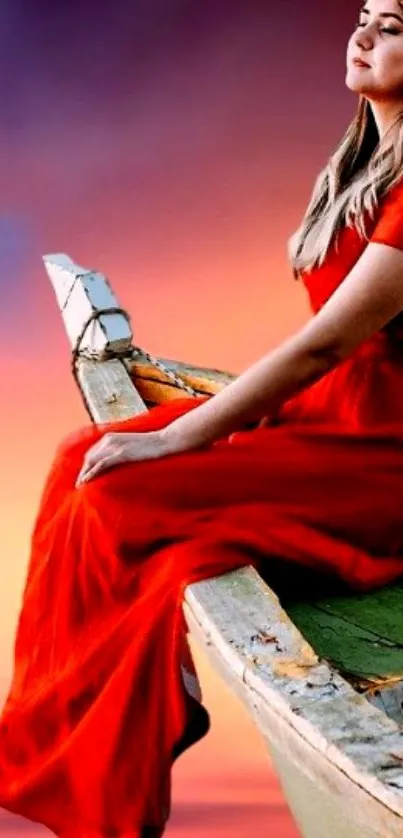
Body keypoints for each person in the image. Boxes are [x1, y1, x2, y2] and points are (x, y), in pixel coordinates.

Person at [2, 0, 403, 834]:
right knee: (84, 452)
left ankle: (110, 772)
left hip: (380, 451)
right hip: (330, 417)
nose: (362, 35)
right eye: (363, 16)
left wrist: (195, 428)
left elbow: (326, 347)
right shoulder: (363, 160)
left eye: (393, 26)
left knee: (119, 497)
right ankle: (42, 737)